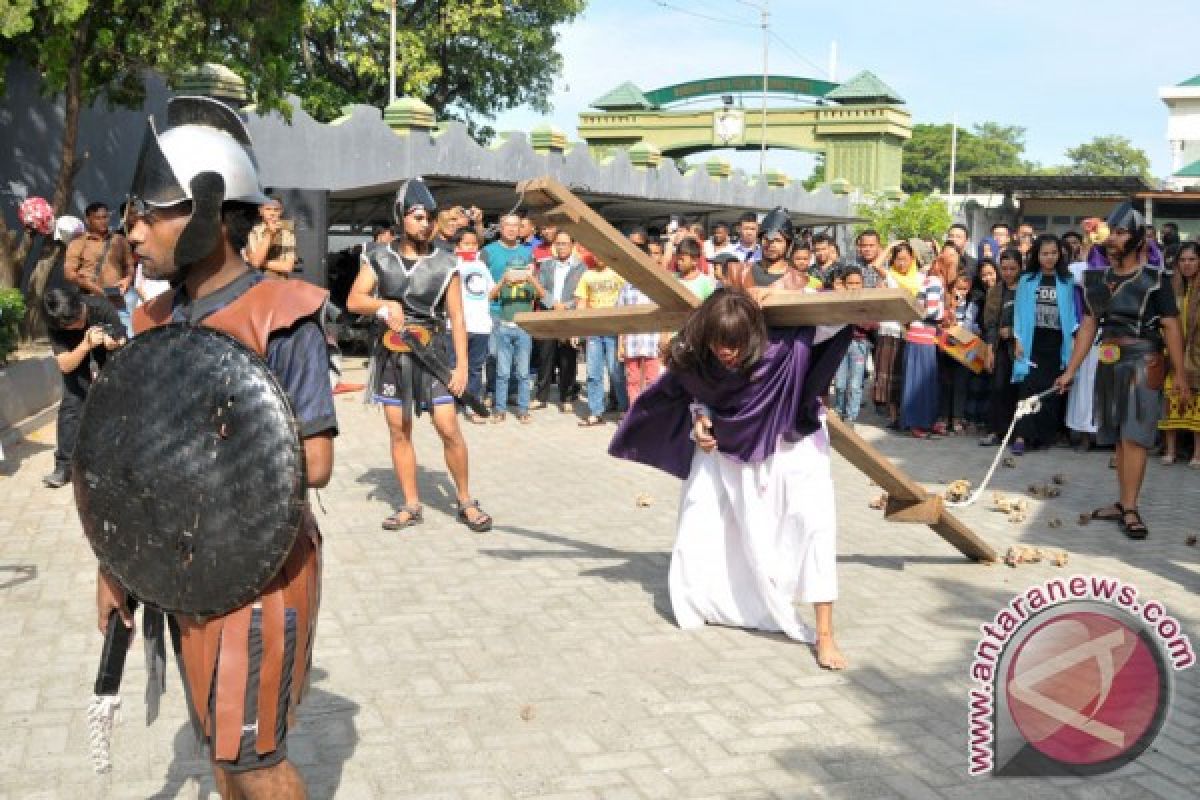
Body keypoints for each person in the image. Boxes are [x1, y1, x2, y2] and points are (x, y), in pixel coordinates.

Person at [114, 96, 335, 799]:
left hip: (258, 571)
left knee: (256, 760)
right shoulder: (152, 320)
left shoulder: (283, 312)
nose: (134, 229)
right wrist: (117, 563)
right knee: (218, 743)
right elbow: (129, 460)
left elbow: (317, 460)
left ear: (207, 210)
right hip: (182, 573)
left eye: (151, 210)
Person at [610, 290, 852, 669]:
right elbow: (698, 398)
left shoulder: (784, 346)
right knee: (702, 513)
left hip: (792, 442)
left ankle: (825, 634)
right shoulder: (697, 360)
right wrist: (700, 421)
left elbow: (842, 311)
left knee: (813, 525)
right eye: (720, 344)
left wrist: (793, 295)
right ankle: (717, 598)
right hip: (727, 448)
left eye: (736, 344)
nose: (728, 353)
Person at [347, 179, 493, 533]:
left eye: (428, 217)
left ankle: (465, 499)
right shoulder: (377, 256)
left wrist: (460, 366)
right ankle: (411, 504)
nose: (424, 223)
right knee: (399, 430)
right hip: (393, 353)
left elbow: (458, 317)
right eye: (417, 217)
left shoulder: (447, 262)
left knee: (448, 426)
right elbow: (354, 301)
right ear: (401, 218)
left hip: (434, 352)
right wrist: (383, 305)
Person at [1055, 203, 1190, 539]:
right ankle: (1122, 501)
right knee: (1118, 437)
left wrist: (1182, 377)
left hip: (1145, 361)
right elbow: (1089, 325)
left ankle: (1131, 508)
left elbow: (1172, 328)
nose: (1113, 239)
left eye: (1120, 233)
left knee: (1136, 438)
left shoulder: (1156, 280)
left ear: (1138, 238)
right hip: (1109, 362)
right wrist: (1070, 370)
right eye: (1111, 233)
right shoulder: (1095, 279)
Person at [42, 288, 125, 488]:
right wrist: (85, 345)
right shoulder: (56, 324)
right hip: (77, 351)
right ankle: (64, 466)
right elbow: (66, 365)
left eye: (80, 318)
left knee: (117, 395)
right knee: (73, 400)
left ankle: (118, 459)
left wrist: (112, 343)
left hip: (107, 349)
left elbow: (122, 339)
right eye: (71, 325)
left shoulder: (99, 307)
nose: (78, 325)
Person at [1010, 235, 1078, 454]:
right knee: (1027, 387)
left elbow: (1072, 314)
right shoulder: (1027, 280)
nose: (1049, 258)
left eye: (1053, 253)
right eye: (1044, 253)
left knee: (1050, 390)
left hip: (1057, 342)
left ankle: (1041, 437)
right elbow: (1018, 312)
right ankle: (1021, 436)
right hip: (1032, 340)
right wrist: (1018, 339)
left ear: (1060, 255)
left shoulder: (1067, 281)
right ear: (1037, 255)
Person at [488, 250, 544, 422]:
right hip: (504, 329)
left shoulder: (528, 286)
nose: (516, 274)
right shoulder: (504, 285)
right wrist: (504, 279)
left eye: (519, 270)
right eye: (514, 270)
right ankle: (500, 409)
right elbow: (491, 295)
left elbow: (542, 294)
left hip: (523, 331)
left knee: (523, 373)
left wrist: (530, 277)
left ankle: (523, 409)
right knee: (502, 372)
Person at [533, 231, 586, 411]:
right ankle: (541, 396)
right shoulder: (547, 265)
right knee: (545, 356)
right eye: (559, 244)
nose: (562, 247)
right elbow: (539, 289)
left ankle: (567, 397)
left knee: (567, 358)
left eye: (565, 243)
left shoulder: (581, 267)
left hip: (569, 316)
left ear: (572, 245)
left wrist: (566, 305)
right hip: (549, 314)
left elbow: (582, 293)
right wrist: (553, 303)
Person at [63, 201, 136, 331]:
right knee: (95, 342)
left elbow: (129, 265)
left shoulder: (120, 240)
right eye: (98, 218)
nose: (103, 221)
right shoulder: (78, 243)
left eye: (105, 217)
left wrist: (128, 279)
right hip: (90, 301)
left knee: (125, 337)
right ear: (88, 220)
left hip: (117, 300)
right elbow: (69, 274)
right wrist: (94, 288)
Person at [1159, 242, 1200, 465]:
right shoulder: (1173, 287)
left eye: (1192, 259)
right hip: (1174, 352)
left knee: (1197, 402)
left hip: (1197, 353)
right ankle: (1171, 451)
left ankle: (1197, 453)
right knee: (1171, 398)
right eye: (1183, 260)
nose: (1187, 264)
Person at [574, 251, 627, 426]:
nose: (599, 256)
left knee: (616, 372)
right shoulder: (587, 275)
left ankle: (624, 409)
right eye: (595, 254)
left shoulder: (619, 273)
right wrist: (576, 331)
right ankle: (596, 411)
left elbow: (627, 299)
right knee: (592, 373)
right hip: (594, 329)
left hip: (614, 329)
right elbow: (581, 302)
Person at [874, 242, 922, 428]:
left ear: (912, 259)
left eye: (905, 259)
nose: (901, 263)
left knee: (905, 374)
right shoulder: (891, 277)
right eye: (898, 259)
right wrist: (890, 246)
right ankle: (894, 416)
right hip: (890, 329)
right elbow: (876, 266)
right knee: (889, 373)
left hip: (911, 332)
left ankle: (905, 415)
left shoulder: (920, 278)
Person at [979, 250, 1022, 446]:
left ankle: (1017, 434)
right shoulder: (995, 291)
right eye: (1004, 268)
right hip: (1001, 347)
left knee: (1019, 391)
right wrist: (989, 350)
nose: (1008, 272)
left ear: (1020, 268)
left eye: (1013, 268)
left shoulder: (1027, 290)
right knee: (998, 389)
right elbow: (990, 324)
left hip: (1022, 348)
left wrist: (1013, 331)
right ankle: (996, 430)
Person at [900, 256, 946, 438]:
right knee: (921, 383)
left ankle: (922, 421)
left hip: (920, 336)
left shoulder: (928, 280)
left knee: (921, 381)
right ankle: (918, 422)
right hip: (923, 336)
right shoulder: (935, 281)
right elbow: (932, 311)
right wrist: (945, 314)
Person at [452, 228, 494, 424]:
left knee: (476, 368)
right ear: (457, 246)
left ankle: (472, 405)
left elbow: (491, 291)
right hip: (456, 325)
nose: (470, 247)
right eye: (466, 243)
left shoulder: (482, 266)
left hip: (481, 325)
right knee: (453, 367)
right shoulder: (452, 265)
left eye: (474, 244)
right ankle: (450, 405)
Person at [832, 267, 874, 426]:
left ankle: (851, 417)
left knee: (855, 384)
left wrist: (855, 318)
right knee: (840, 383)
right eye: (850, 283)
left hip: (859, 344)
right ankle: (839, 411)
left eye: (857, 283)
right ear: (843, 284)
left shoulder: (867, 300)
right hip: (840, 343)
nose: (854, 286)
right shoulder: (837, 298)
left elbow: (873, 323)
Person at [244, 197, 297, 278]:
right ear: (261, 211)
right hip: (257, 281)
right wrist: (270, 234)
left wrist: (261, 262)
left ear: (281, 211)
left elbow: (288, 267)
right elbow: (256, 262)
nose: (272, 213)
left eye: (276, 210)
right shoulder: (253, 232)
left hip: (279, 283)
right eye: (268, 209)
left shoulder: (287, 233)